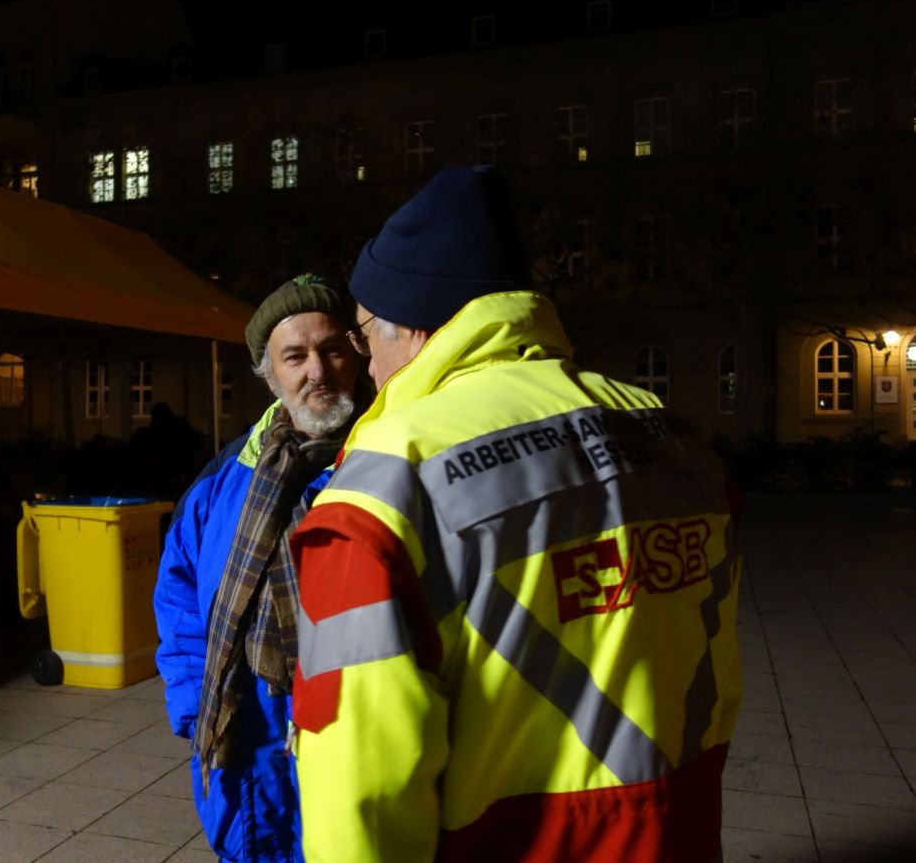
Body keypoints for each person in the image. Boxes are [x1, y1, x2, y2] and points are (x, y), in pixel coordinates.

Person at [289, 167, 743, 862]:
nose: (367, 367)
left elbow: (362, 788)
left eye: (362, 336)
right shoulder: (670, 436)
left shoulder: (386, 483)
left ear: (408, 324)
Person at [154, 274, 364, 862]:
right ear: (269, 374)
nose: (317, 372)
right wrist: (197, 701)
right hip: (246, 741)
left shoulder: (387, 459)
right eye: (295, 356)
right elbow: (179, 593)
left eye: (332, 350)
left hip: (348, 733)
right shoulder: (225, 480)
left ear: (356, 356)